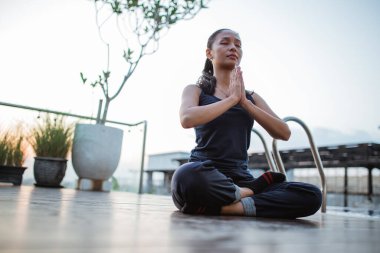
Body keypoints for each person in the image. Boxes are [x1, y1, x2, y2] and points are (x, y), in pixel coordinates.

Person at [171, 28, 322, 219]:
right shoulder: (196, 90)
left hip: (242, 178)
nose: (233, 47)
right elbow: (187, 118)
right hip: (206, 174)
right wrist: (231, 100)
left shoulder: (251, 97)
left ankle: (231, 205)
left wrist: (244, 103)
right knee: (185, 175)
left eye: (238, 45)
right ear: (209, 53)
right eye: (225, 42)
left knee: (311, 195)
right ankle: (250, 193)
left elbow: (284, 132)